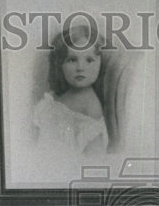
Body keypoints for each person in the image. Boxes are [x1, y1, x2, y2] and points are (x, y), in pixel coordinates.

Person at [32, 22, 109, 161]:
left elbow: (95, 161)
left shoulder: (91, 108)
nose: (80, 67)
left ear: (99, 62)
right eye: (72, 60)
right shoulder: (53, 99)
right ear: (60, 64)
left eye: (89, 60)